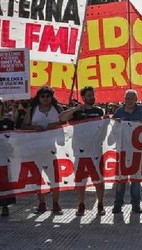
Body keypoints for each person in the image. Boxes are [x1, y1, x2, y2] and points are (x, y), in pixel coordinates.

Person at [59, 86, 107, 217]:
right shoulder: (77, 112)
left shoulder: (99, 111)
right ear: (83, 97)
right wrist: (75, 108)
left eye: (93, 95)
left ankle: (100, 204)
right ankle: (81, 204)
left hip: (96, 151)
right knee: (80, 181)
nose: (92, 97)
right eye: (89, 95)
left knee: (99, 180)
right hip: (80, 152)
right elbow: (62, 117)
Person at [23, 86, 64, 214]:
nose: (45, 99)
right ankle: (42, 203)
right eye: (43, 96)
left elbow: (67, 124)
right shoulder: (32, 109)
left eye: (48, 96)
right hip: (37, 148)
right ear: (39, 98)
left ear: (52, 97)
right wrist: (34, 128)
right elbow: (24, 126)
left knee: (54, 177)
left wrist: (56, 125)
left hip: (55, 149)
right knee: (38, 177)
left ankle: (56, 204)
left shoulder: (58, 109)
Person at [112, 89, 142, 214]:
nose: (129, 101)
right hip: (122, 149)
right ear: (124, 99)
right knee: (120, 178)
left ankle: (136, 204)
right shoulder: (119, 111)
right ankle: (118, 204)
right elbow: (112, 127)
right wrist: (116, 123)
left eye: (131, 98)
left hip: (137, 151)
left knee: (135, 179)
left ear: (136, 99)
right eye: (127, 98)